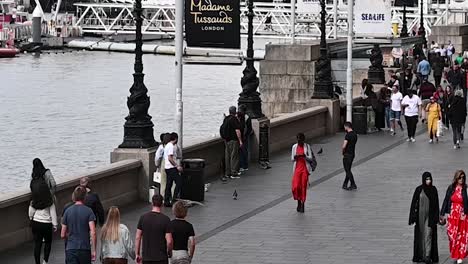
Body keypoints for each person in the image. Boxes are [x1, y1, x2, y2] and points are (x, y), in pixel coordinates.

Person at [29, 158, 58, 264]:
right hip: (46, 222)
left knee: (37, 244)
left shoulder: (34, 177)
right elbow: (54, 185)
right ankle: (45, 261)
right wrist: (55, 225)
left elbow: (31, 210)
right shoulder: (47, 172)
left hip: (36, 220)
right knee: (48, 242)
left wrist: (31, 218)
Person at [409, 172, 440, 264]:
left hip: (429, 216)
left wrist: (436, 217)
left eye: (429, 179)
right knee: (421, 234)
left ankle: (427, 255)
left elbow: (436, 205)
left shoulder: (433, 190)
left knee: (428, 234)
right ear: (423, 179)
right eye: (426, 179)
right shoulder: (418, 189)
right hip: (420, 216)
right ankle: (421, 255)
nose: (428, 181)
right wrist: (412, 217)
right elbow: (414, 203)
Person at [61, 186, 97, 264]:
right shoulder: (89, 211)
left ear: (74, 196)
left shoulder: (67, 211)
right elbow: (93, 232)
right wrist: (94, 250)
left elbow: (62, 234)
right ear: (85, 197)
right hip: (85, 248)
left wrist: (70, 236)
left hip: (70, 248)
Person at [135, 194, 173, 264]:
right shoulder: (166, 219)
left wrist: (137, 254)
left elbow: (138, 237)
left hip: (147, 258)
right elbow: (169, 241)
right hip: (161, 258)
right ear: (162, 204)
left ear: (152, 203)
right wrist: (169, 252)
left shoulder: (143, 218)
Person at [440, 170, 468, 264]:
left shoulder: (465, 189)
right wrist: (442, 213)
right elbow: (446, 200)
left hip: (462, 216)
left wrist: (465, 213)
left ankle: (460, 255)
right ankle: (455, 254)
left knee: (461, 236)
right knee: (452, 235)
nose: (461, 179)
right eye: (460, 177)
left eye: (463, 177)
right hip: (452, 216)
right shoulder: (451, 188)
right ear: (456, 178)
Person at [291, 133, 316, 212]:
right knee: (296, 187)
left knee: (303, 187)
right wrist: (296, 157)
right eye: (298, 141)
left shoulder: (307, 146)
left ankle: (302, 204)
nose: (299, 142)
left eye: (300, 141)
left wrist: (304, 156)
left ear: (303, 140)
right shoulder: (294, 147)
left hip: (305, 169)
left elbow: (311, 158)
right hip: (297, 169)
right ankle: (298, 201)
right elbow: (292, 159)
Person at [220, 106, 243, 181]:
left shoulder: (226, 119)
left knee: (227, 156)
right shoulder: (234, 119)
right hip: (233, 140)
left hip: (226, 140)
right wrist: (240, 141)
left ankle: (227, 173)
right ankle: (234, 173)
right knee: (234, 156)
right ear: (235, 111)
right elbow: (237, 131)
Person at [163, 132, 183, 207]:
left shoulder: (167, 145)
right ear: (176, 139)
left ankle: (166, 201)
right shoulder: (171, 146)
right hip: (171, 168)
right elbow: (170, 158)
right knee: (179, 182)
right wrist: (177, 166)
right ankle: (174, 200)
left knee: (169, 184)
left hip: (167, 168)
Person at [155, 133, 173, 201]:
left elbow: (157, 157)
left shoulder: (161, 147)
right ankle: (173, 197)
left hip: (164, 165)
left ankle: (164, 199)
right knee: (172, 183)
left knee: (163, 183)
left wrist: (157, 165)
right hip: (172, 165)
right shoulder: (173, 146)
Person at [342, 122, 357, 191]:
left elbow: (344, 146)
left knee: (347, 170)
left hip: (347, 154)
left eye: (345, 127)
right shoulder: (355, 134)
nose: (344, 128)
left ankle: (353, 184)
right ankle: (345, 184)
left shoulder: (347, 135)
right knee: (348, 169)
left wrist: (343, 151)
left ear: (347, 127)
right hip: (352, 154)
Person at [237, 105, 252, 173]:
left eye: (239, 109)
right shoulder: (247, 117)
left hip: (243, 137)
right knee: (244, 151)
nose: (238, 111)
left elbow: (248, 128)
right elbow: (250, 129)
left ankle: (242, 166)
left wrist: (245, 136)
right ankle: (245, 166)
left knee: (242, 152)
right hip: (244, 137)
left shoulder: (243, 118)